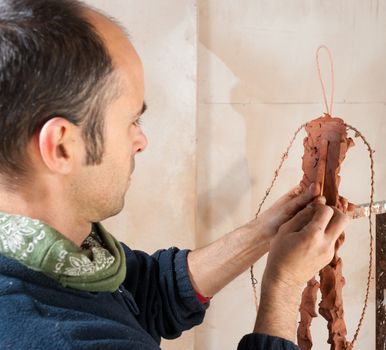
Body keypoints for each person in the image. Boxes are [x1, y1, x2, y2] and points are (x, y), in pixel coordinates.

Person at [0, 0, 349, 349]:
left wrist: (265, 232)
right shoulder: (58, 338)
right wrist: (283, 286)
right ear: (62, 146)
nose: (142, 141)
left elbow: (145, 293)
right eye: (132, 122)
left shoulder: (54, 253)